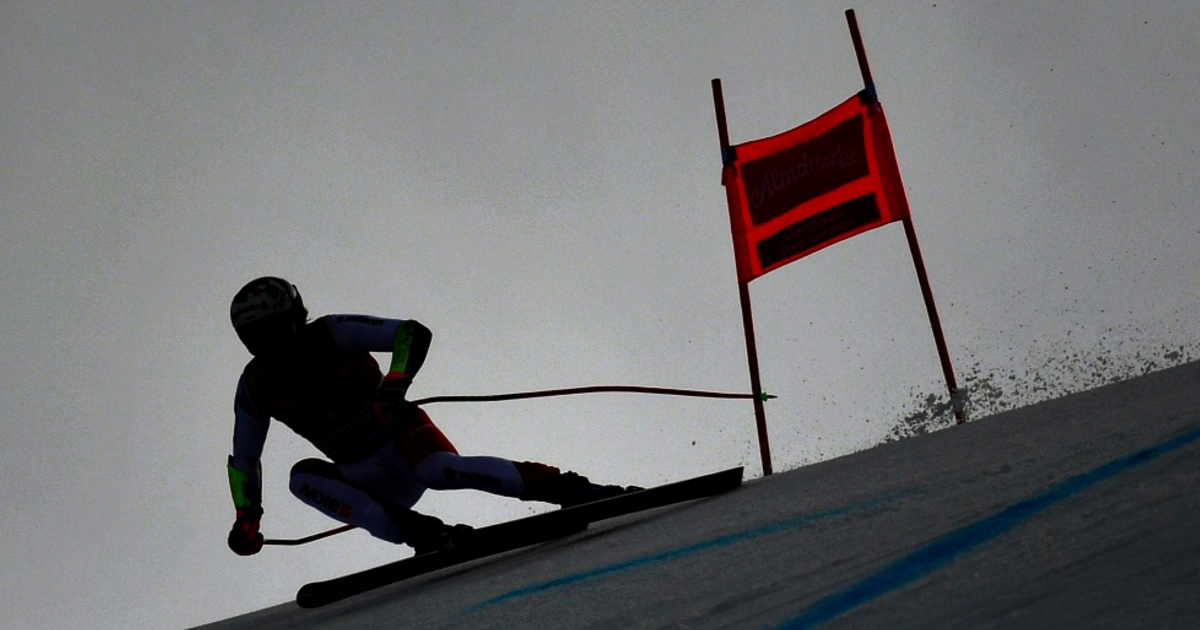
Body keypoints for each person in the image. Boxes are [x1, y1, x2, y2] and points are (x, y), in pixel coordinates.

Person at [225, 276, 636, 557]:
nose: (270, 348)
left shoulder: (332, 333)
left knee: (437, 471)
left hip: (405, 439)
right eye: (256, 340)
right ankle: (428, 535)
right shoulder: (256, 386)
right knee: (302, 478)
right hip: (369, 476)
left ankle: (576, 490)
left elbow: (410, 332)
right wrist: (247, 516)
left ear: (296, 320)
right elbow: (244, 459)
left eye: (275, 333)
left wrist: (395, 382)